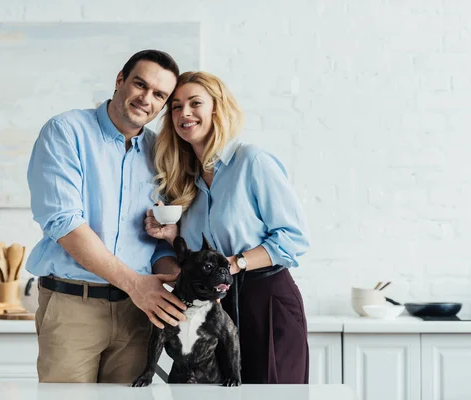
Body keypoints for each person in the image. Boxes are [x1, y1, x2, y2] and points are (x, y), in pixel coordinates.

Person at [26, 50, 188, 384]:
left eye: (159, 95)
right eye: (139, 85)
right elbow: (64, 223)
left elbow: (157, 244)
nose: (146, 99)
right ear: (120, 81)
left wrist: (179, 282)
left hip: (139, 314)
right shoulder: (66, 131)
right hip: (74, 305)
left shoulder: (161, 152)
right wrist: (136, 284)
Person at [144, 71, 311, 384]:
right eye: (177, 107)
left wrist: (236, 263)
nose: (185, 113)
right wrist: (172, 236)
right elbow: (200, 252)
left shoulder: (251, 161)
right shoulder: (187, 179)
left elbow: (294, 238)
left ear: (216, 109)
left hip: (265, 300)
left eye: (195, 103)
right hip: (213, 308)